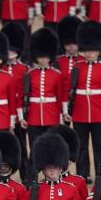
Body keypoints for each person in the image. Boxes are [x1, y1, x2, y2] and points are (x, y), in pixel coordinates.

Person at [66, 21, 101, 181]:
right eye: (86, 50)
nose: (89, 54)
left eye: (92, 50)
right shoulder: (77, 67)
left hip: (99, 113)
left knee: (100, 146)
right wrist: (68, 111)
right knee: (82, 147)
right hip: (80, 113)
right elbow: (70, 91)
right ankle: (83, 174)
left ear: (98, 51)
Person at [23, 28, 64, 156]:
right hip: (34, 115)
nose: (43, 60)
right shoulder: (30, 74)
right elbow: (26, 96)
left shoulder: (57, 74)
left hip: (51, 115)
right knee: (34, 146)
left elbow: (60, 97)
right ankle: (32, 175)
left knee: (52, 148)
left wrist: (60, 117)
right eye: (40, 57)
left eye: (45, 57)